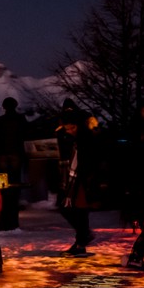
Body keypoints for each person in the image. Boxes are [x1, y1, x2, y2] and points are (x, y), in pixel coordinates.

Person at [56, 104, 98, 256]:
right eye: (67, 128)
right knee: (76, 210)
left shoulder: (85, 139)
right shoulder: (76, 138)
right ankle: (82, 239)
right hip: (76, 178)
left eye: (71, 128)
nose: (69, 131)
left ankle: (81, 241)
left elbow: (89, 161)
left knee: (78, 210)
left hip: (82, 179)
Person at [0, 96, 28, 184]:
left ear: (4, 107)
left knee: (2, 177)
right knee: (16, 176)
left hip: (2, 151)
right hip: (16, 151)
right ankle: (15, 195)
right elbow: (25, 133)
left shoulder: (0, 120)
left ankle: (3, 194)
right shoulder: (21, 118)